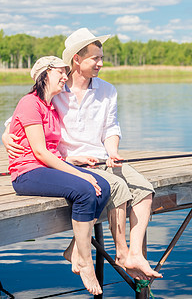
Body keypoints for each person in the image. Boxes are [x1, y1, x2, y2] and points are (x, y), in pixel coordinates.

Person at [2, 28, 162, 281]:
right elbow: (18, 119)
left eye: (101, 57)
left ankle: (135, 254)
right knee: (113, 188)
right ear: (77, 58)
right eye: (95, 58)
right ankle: (118, 252)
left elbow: (111, 126)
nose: (101, 63)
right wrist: (5, 136)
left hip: (101, 156)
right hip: (70, 163)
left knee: (144, 189)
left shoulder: (107, 90)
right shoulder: (55, 89)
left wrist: (113, 152)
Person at [7, 56, 110, 295]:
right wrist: (79, 175)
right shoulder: (29, 103)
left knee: (103, 186)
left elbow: (50, 151)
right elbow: (40, 152)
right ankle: (85, 260)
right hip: (27, 173)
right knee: (85, 189)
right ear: (44, 75)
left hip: (46, 168)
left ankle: (74, 247)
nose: (65, 77)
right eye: (60, 73)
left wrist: (73, 162)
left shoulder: (50, 106)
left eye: (66, 73)